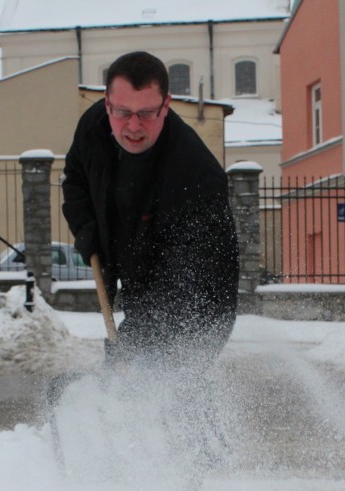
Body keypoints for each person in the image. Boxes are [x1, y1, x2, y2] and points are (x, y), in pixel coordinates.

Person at [62, 51, 240, 366]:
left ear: (165, 106)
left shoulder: (195, 177)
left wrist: (135, 348)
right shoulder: (93, 130)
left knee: (161, 385)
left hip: (199, 306)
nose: (133, 125)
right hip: (141, 276)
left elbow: (188, 284)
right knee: (125, 381)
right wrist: (86, 227)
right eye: (122, 112)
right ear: (107, 103)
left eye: (146, 113)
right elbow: (76, 180)